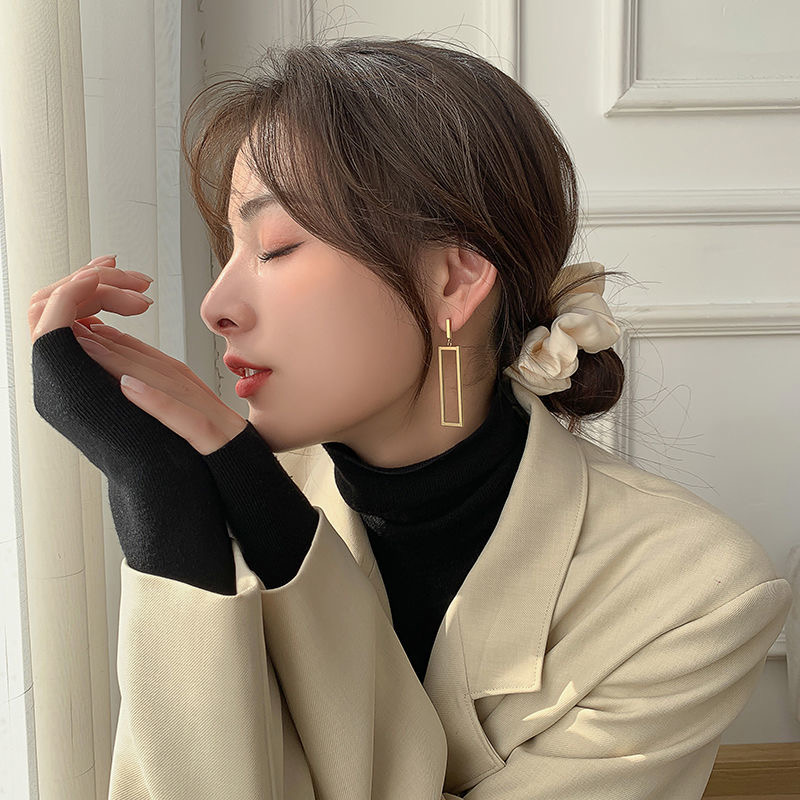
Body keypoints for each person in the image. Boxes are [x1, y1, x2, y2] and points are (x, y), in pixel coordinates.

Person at [28, 36, 791, 800]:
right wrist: (162, 493)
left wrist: (277, 532)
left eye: (276, 247)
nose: (216, 305)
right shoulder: (216, 501)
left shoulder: (689, 592)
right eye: (230, 249)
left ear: (454, 281)